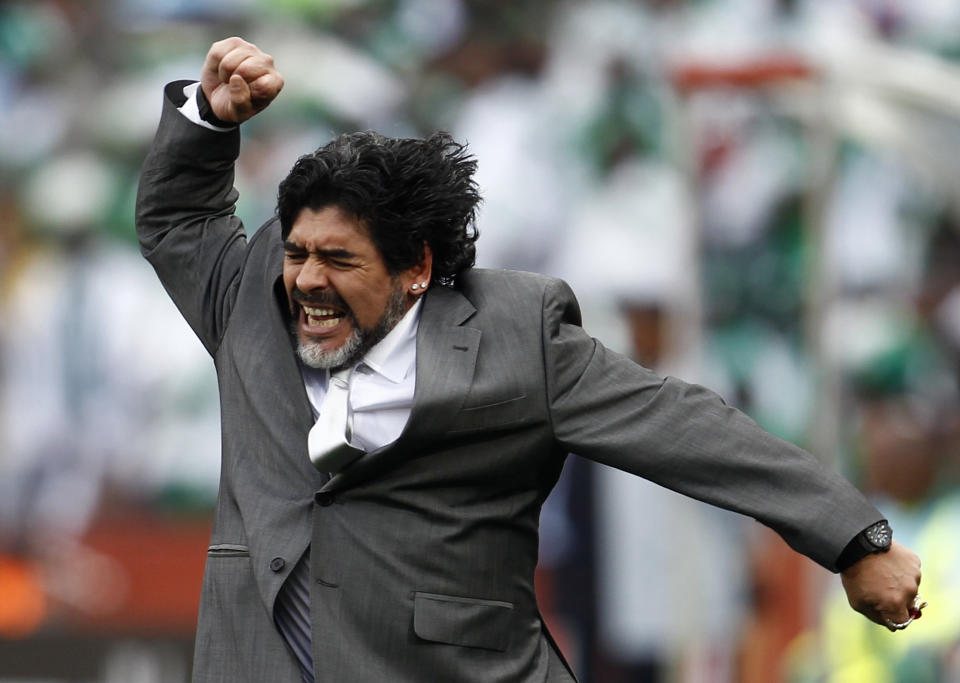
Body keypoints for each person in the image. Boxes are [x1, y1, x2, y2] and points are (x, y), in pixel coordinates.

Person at [135, 37, 924, 683]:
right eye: (298, 252)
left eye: (338, 259)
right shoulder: (251, 300)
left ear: (416, 266)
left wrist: (854, 539)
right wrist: (209, 121)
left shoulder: (518, 333)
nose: (306, 278)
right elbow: (175, 219)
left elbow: (688, 428)